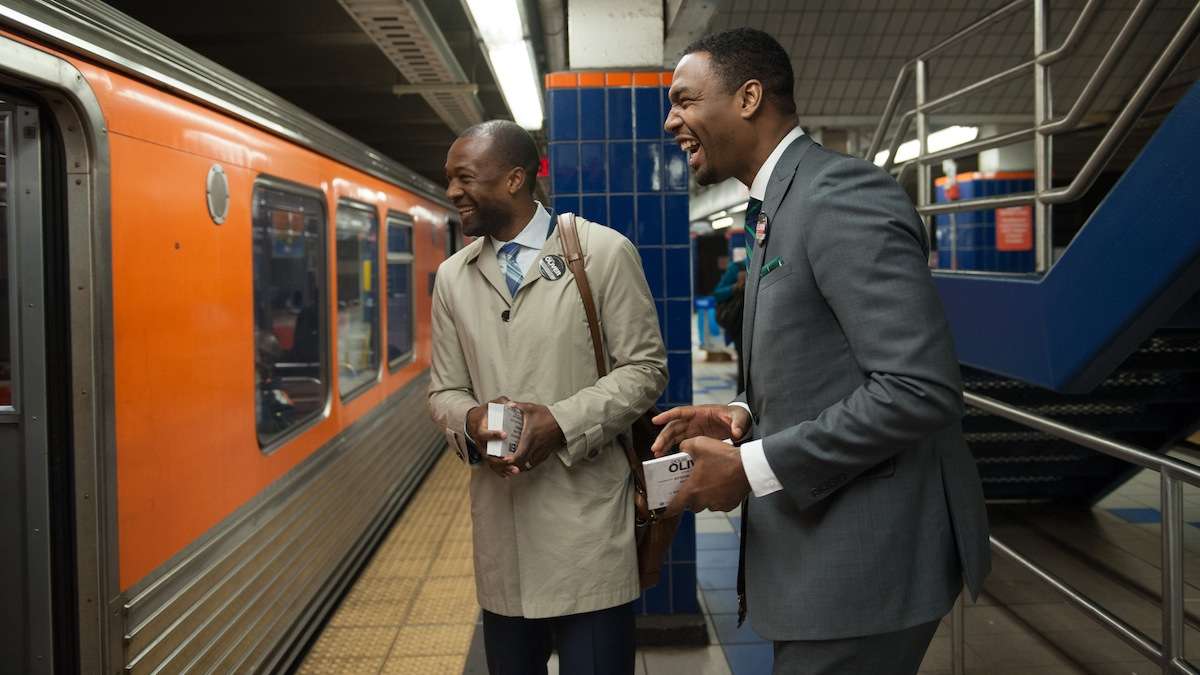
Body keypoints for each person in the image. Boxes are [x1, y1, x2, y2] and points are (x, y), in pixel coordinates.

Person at [654, 28, 991, 674]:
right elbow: (825, 356)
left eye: (685, 100)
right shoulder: (777, 205)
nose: (672, 120)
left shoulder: (838, 195)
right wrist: (743, 414)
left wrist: (749, 467)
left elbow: (917, 387)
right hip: (824, 565)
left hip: (862, 572)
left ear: (749, 97)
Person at [428, 120, 667, 675]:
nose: (452, 192)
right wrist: (471, 418)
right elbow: (443, 388)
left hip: (587, 532)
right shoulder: (452, 279)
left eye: (465, 177)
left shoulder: (602, 254)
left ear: (516, 179)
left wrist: (559, 422)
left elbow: (646, 368)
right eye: (449, 179)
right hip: (502, 538)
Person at [712, 248, 748, 391]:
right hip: (742, 324)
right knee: (744, 366)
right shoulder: (737, 268)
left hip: (766, 324)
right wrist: (736, 287)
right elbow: (717, 293)